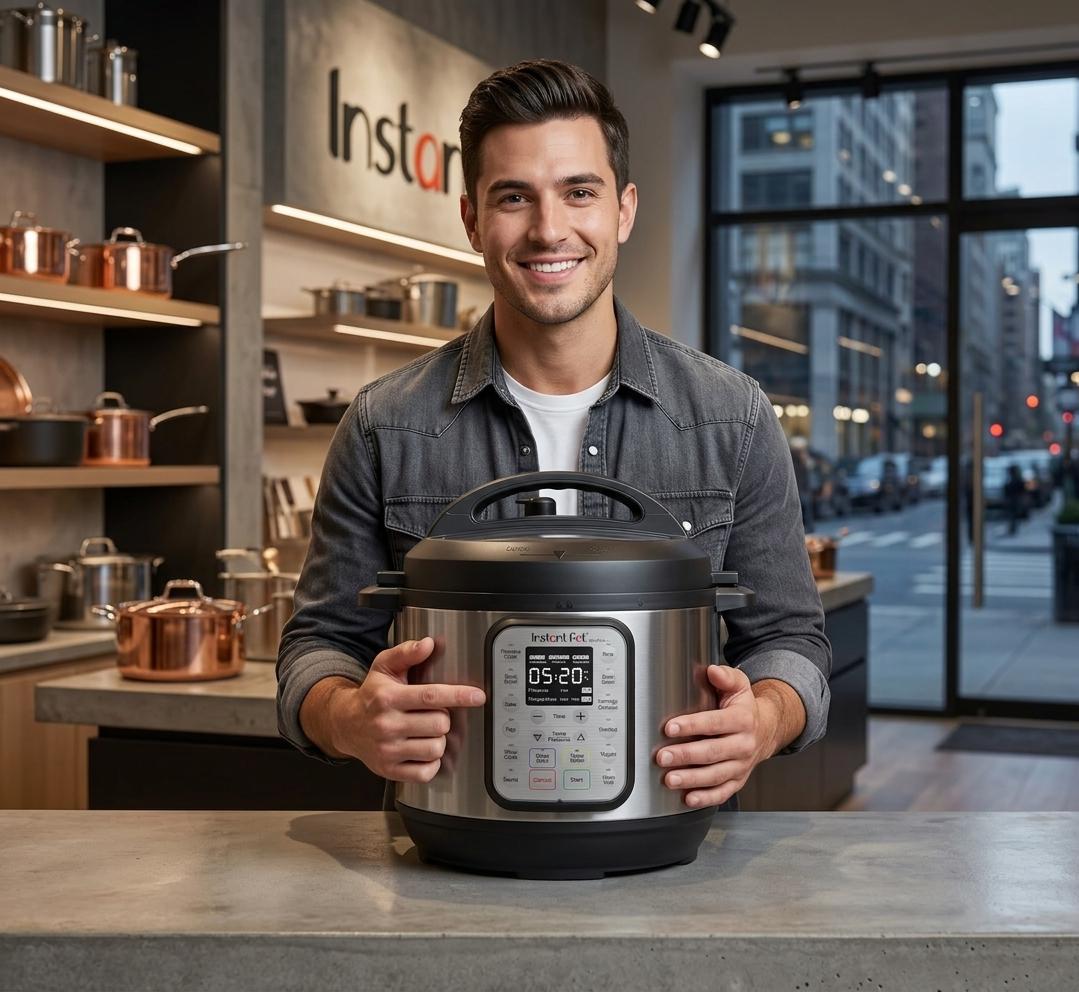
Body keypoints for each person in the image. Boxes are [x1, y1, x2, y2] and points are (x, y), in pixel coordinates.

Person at [277, 60, 831, 812]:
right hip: (446, 854)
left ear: (623, 210)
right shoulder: (382, 425)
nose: (548, 229)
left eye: (579, 192)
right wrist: (346, 716)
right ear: (472, 219)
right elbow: (318, 648)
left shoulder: (731, 416)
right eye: (513, 197)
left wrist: (761, 721)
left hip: (673, 851)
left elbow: (792, 642)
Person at [1003, 463, 1025, 536]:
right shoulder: (1010, 479)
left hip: (1015, 499)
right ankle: (1012, 528)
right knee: (1011, 515)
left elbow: (1021, 489)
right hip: (1012, 499)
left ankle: (1013, 528)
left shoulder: (1016, 480)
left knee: (1013, 515)